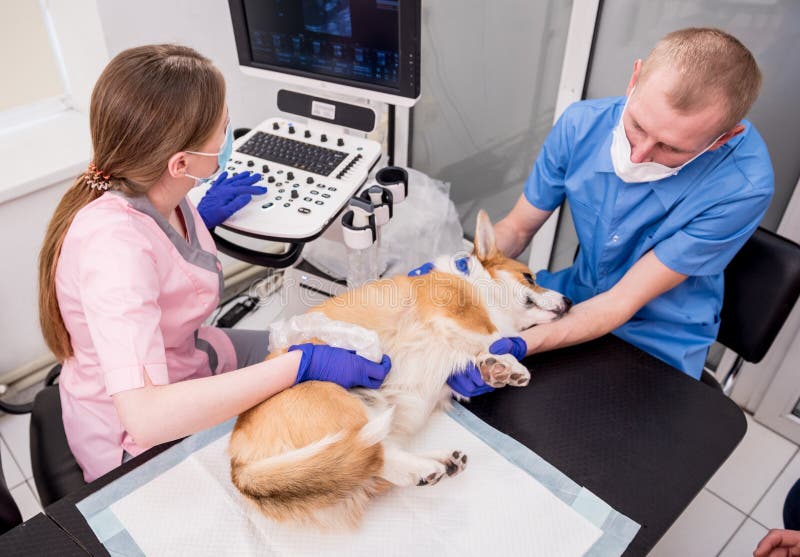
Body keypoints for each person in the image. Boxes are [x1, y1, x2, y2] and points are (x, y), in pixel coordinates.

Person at [38, 44, 391, 483]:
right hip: (135, 437)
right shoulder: (113, 249)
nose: (228, 141)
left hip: (185, 354)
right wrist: (298, 366)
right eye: (223, 131)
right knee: (297, 421)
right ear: (180, 162)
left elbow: (159, 257)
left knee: (322, 339)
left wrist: (196, 222)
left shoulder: (154, 190)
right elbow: (146, 416)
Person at [447, 27, 776, 398]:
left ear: (723, 139)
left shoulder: (742, 187)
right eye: (637, 125)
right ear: (634, 78)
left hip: (657, 336)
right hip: (575, 293)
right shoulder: (581, 126)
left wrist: (519, 345)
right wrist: (465, 272)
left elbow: (622, 301)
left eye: (670, 148)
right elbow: (519, 228)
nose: (638, 156)